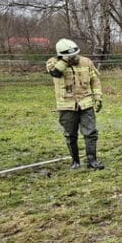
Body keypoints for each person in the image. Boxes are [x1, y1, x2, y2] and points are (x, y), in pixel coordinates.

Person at [46, 39, 104, 170]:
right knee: (70, 134)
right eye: (71, 55)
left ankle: (92, 160)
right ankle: (75, 161)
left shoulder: (86, 62)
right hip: (66, 105)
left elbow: (95, 80)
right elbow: (55, 73)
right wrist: (65, 61)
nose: (75, 57)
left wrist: (98, 97)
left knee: (91, 133)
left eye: (76, 54)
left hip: (86, 103)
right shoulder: (52, 63)